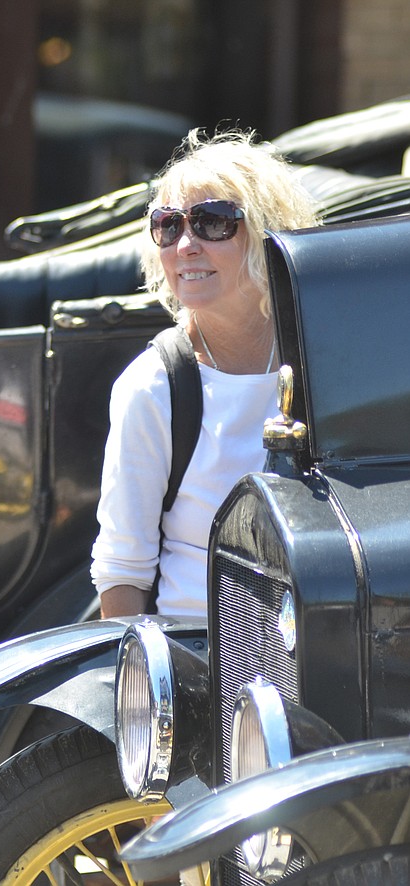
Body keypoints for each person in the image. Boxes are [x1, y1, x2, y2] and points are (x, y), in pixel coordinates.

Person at [91, 130, 320, 619]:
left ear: (267, 233)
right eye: (169, 226)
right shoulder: (154, 387)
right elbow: (121, 573)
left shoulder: (327, 361)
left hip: (330, 659)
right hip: (203, 664)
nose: (186, 245)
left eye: (212, 222)